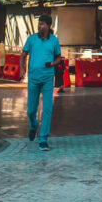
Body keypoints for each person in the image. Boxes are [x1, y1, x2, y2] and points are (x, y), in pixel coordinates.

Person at [20, 14, 62, 152]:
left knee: (47, 110)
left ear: (49, 26)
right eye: (39, 23)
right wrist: (22, 69)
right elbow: (23, 55)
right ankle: (33, 126)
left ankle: (43, 139)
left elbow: (58, 58)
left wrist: (52, 64)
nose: (40, 26)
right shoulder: (32, 39)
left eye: (43, 24)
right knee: (31, 110)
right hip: (33, 78)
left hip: (48, 78)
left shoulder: (54, 41)